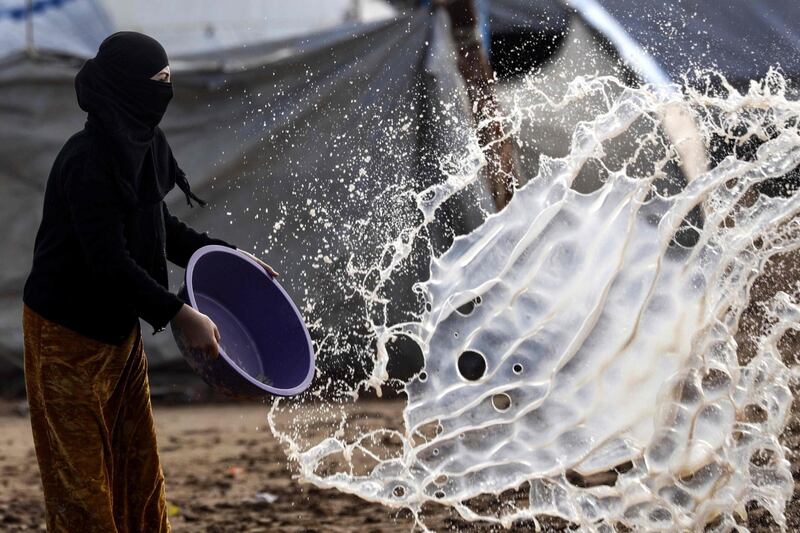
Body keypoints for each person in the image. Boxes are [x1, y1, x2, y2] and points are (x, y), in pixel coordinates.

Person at [21, 32, 275, 532]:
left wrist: (228, 255)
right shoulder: (88, 161)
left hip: (118, 338)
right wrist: (182, 314)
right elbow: (109, 264)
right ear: (127, 86)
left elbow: (161, 230)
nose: (167, 89)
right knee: (83, 486)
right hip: (65, 339)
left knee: (137, 471)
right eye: (158, 80)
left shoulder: (142, 144)